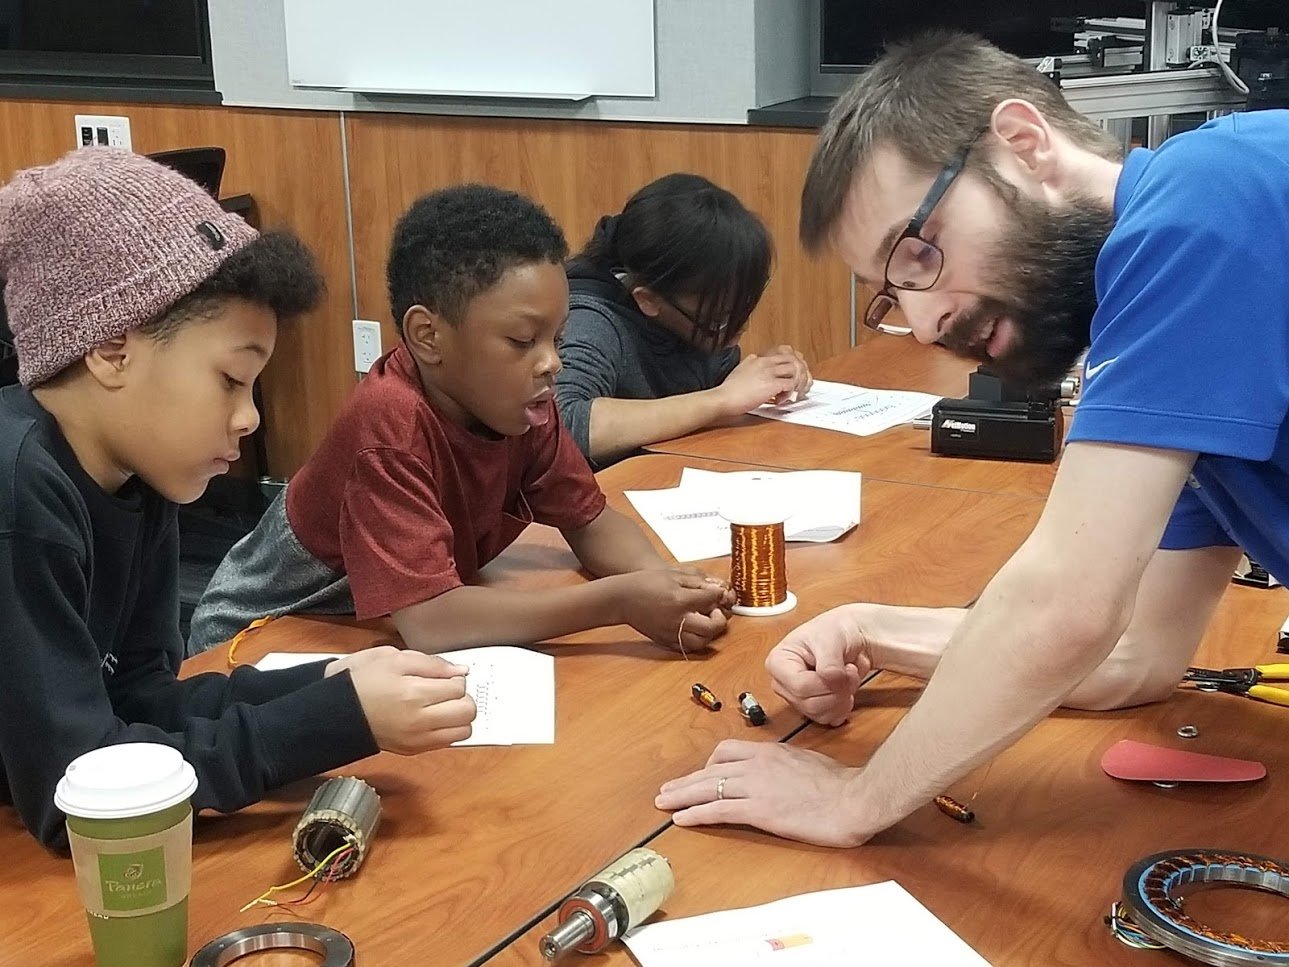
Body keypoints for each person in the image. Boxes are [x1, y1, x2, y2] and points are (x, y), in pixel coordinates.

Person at [656, 31, 1289, 846]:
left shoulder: (1203, 203)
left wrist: (853, 799)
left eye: (917, 253)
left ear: (1022, 145)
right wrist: (872, 629)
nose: (921, 324)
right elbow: (1132, 654)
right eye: (890, 294)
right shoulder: (1179, 318)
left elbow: (1068, 603)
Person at [0, 149, 476, 850]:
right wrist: (337, 720)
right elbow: (79, 802)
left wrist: (329, 681)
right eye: (230, 379)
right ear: (109, 349)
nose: (249, 417)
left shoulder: (137, 467)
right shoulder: (21, 497)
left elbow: (140, 699)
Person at [191, 184, 733, 656]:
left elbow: (589, 522)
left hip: (379, 625)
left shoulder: (522, 403)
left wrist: (668, 585)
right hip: (265, 637)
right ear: (429, 337)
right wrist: (619, 601)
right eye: (523, 341)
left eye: (558, 338)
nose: (552, 363)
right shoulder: (389, 428)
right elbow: (431, 622)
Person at [558, 173, 812, 468]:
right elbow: (564, 424)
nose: (733, 337)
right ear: (648, 300)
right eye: (718, 322)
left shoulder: (687, 306)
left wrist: (767, 374)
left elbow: (715, 391)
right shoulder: (591, 321)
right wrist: (720, 399)